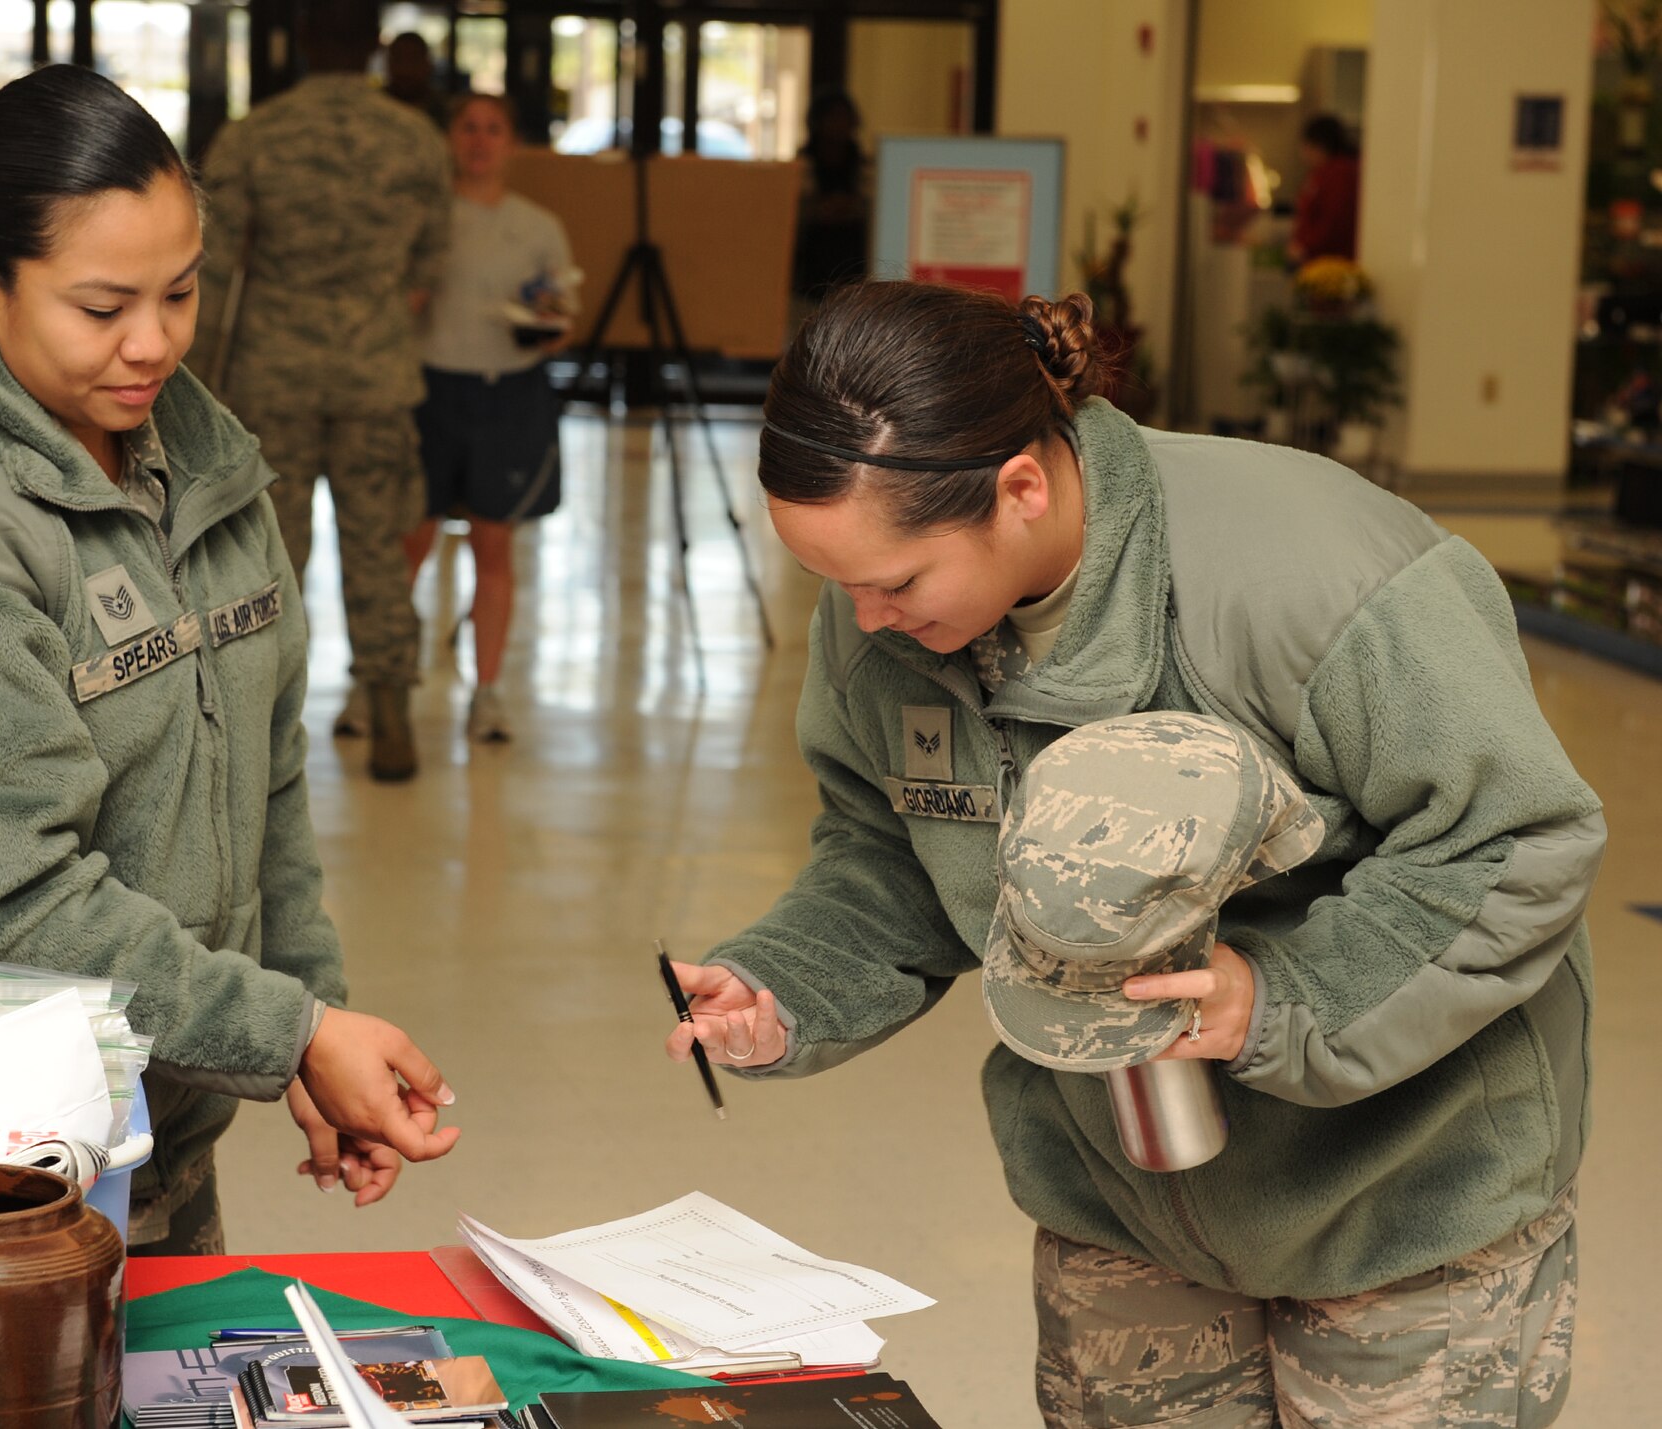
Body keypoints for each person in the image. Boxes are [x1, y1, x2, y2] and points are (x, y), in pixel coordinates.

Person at [664, 281, 1604, 1426]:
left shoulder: (1308, 577)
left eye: (894, 582)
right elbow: (892, 848)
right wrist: (786, 981)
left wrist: (1281, 997)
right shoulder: (886, 625)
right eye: (834, 585)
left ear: (1018, 486)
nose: (860, 622)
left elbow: (1513, 836)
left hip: (1405, 1205)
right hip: (1122, 1199)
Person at [0, 65, 460, 1257]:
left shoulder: (196, 454)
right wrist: (286, 1033)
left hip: (142, 1126)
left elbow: (263, 783)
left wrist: (312, 1021)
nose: (153, 343)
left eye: (179, 293)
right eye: (101, 306)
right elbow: (10, 905)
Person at [197, 0, 451, 781]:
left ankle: (259, 730)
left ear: (304, 43)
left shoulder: (253, 137)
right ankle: (391, 716)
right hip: (376, 375)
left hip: (273, 377)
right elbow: (429, 265)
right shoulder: (416, 140)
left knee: (272, 555)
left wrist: (196, 387)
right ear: (375, 45)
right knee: (379, 544)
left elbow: (211, 269)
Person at [405, 93, 575, 744]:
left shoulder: (538, 226)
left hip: (507, 397)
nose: (480, 140)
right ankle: (383, 684)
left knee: (493, 545)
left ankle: (488, 691)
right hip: (428, 393)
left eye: (494, 129)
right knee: (409, 541)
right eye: (469, 127)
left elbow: (560, 320)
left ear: (512, 143)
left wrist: (548, 325)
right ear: (450, 137)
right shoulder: (426, 220)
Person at [791, 91, 871, 307]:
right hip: (811, 263)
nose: (839, 124)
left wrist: (849, 208)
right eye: (832, 117)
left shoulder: (864, 163)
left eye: (845, 117)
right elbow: (795, 212)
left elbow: (873, 209)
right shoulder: (802, 163)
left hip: (855, 258)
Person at [1286, 113, 1360, 267]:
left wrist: (1306, 247)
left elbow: (1334, 219)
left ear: (1318, 145)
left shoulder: (1339, 174)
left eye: (1306, 147)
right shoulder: (1324, 173)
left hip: (1330, 263)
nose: (1304, 154)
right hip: (1320, 259)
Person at [384, 31, 450, 129]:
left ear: (427, 65)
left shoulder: (444, 111)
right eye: (398, 59)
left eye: (412, 60)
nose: (405, 69)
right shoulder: (374, 107)